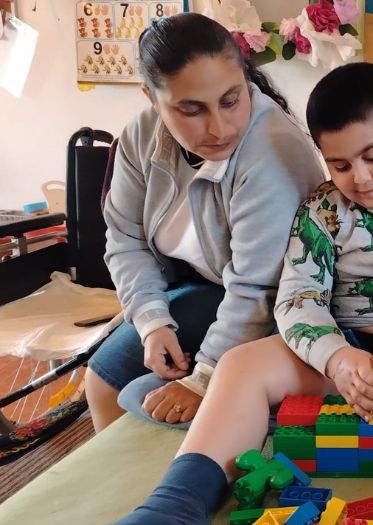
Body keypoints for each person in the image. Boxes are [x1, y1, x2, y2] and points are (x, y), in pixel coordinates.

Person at [114, 62, 373, 525]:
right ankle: (175, 504)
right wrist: (336, 358)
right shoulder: (321, 210)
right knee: (239, 364)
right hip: (348, 347)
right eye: (340, 165)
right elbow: (298, 300)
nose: (361, 178)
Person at [85, 12, 326, 432]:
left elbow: (259, 287)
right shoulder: (141, 135)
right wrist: (151, 321)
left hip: (274, 305)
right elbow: (126, 239)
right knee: (103, 381)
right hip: (198, 288)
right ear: (151, 97)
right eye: (192, 109)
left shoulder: (273, 149)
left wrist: (205, 375)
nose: (219, 127)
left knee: (171, 407)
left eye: (231, 100)